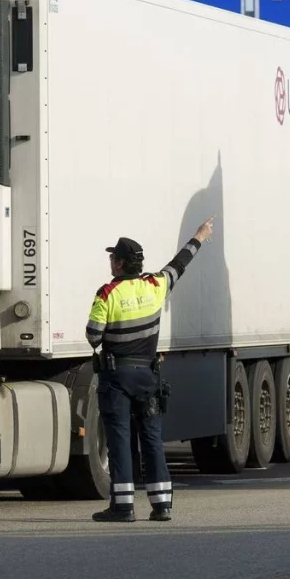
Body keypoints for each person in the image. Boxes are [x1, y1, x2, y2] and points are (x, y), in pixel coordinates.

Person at [86, 216, 215, 523]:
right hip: (148, 377)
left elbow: (93, 336)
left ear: (119, 264)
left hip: (116, 377)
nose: (110, 263)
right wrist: (199, 236)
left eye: (112, 258)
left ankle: (123, 506)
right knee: (152, 439)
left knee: (119, 439)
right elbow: (179, 264)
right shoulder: (156, 285)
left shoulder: (107, 294)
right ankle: (162, 505)